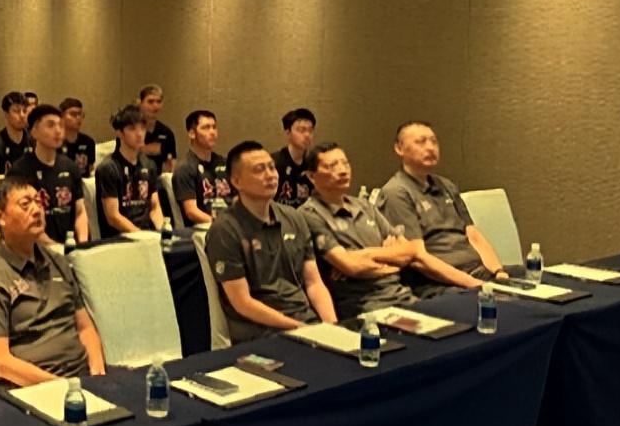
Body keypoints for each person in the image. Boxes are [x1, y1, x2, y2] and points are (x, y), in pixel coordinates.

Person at [299, 142, 483, 318]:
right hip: (365, 305)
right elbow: (352, 267)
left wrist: (365, 255)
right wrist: (393, 260)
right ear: (311, 176)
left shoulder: (364, 206)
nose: (342, 170)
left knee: (464, 315)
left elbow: (413, 251)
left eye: (345, 163)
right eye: (332, 166)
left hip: (403, 295)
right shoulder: (310, 214)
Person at [0, 176, 106, 391]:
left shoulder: (58, 262)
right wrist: (61, 387)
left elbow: (85, 327)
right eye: (25, 204)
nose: (37, 210)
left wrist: (97, 372)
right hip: (34, 390)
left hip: (83, 379)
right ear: (0, 217)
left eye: (38, 202)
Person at [205, 141, 337, 343]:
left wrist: (331, 326)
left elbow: (314, 282)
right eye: (259, 170)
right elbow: (242, 302)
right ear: (236, 182)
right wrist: (300, 328)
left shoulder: (293, 217)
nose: (271, 175)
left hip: (305, 322)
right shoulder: (225, 230)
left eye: (272, 167)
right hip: (261, 333)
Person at [377, 121, 509, 296]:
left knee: (536, 288)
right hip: (440, 284)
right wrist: (475, 284)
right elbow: (417, 258)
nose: (430, 147)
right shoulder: (396, 193)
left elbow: (474, 235)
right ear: (399, 149)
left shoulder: (446, 185)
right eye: (421, 142)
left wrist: (499, 272)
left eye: (434, 141)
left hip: (478, 273)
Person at [8, 105, 87, 246]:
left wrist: (82, 244)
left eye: (60, 125)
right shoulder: (20, 171)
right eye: (50, 125)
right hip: (35, 248)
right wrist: (56, 249)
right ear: (34, 132)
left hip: (70, 246)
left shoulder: (71, 166)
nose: (58, 131)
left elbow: (80, 212)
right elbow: (24, 223)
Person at [94, 104, 165, 238]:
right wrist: (141, 235)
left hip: (148, 235)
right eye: (132, 129)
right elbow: (113, 217)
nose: (139, 134)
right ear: (120, 133)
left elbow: (155, 207)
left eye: (142, 128)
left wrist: (162, 231)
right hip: (120, 238)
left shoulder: (149, 165)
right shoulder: (108, 168)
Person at [171, 109, 232, 225]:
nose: (212, 132)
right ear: (192, 133)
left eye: (214, 127)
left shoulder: (224, 163)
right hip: (203, 227)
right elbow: (191, 212)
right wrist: (220, 225)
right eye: (206, 128)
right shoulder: (185, 168)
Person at [0, 91, 33, 181]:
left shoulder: (34, 140)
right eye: (16, 111)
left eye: (25, 111)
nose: (22, 115)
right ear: (6, 114)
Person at [273, 108, 316, 207]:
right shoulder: (275, 162)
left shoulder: (312, 165)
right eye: (301, 130)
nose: (307, 135)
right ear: (288, 132)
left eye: (310, 130)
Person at [137, 85, 177, 173]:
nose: (155, 106)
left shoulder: (166, 133)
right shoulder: (131, 130)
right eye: (150, 101)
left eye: (159, 102)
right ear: (140, 103)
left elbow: (171, 166)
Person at [59, 98, 96, 177]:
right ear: (61, 116)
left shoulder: (88, 142)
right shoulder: (54, 142)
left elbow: (90, 168)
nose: (78, 118)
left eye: (80, 114)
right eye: (73, 114)